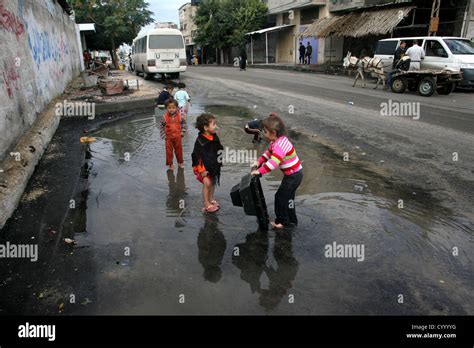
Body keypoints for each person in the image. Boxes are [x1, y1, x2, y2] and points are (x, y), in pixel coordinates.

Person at [251, 115, 303, 230]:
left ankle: (283, 222)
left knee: (280, 198)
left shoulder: (280, 146)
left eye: (265, 132)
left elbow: (272, 164)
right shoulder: (276, 141)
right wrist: (258, 162)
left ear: (273, 132)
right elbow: (267, 154)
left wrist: (259, 172)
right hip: (293, 174)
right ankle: (292, 221)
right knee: (288, 199)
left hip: (293, 176)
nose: (263, 134)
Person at [192, 113, 224, 213]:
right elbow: (197, 156)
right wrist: (202, 170)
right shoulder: (200, 141)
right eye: (213, 124)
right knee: (207, 183)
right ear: (206, 127)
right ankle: (206, 203)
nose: (216, 126)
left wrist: (218, 162)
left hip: (212, 166)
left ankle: (210, 199)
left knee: (213, 182)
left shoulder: (214, 137)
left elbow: (218, 150)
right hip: (202, 167)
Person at [159, 99, 186, 171]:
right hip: (168, 138)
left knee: (179, 150)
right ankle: (170, 164)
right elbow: (161, 126)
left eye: (173, 108)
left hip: (178, 137)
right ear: (166, 108)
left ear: (177, 108)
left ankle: (180, 162)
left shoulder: (180, 116)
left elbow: (183, 124)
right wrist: (163, 136)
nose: (171, 109)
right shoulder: (164, 117)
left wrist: (183, 131)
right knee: (169, 152)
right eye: (169, 108)